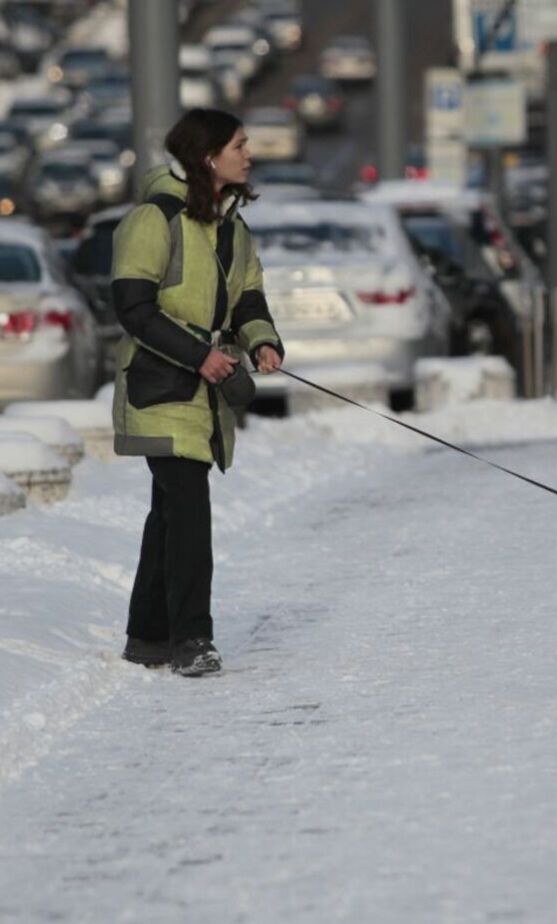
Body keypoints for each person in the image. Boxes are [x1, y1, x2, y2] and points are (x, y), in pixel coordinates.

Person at [111, 109, 284, 677]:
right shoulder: (154, 218)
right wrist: (199, 355)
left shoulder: (233, 226)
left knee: (170, 511)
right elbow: (133, 308)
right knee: (188, 509)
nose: (249, 154)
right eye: (240, 145)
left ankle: (147, 636)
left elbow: (248, 296)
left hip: (203, 389)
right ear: (209, 157)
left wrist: (261, 341)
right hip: (160, 386)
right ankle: (192, 639)